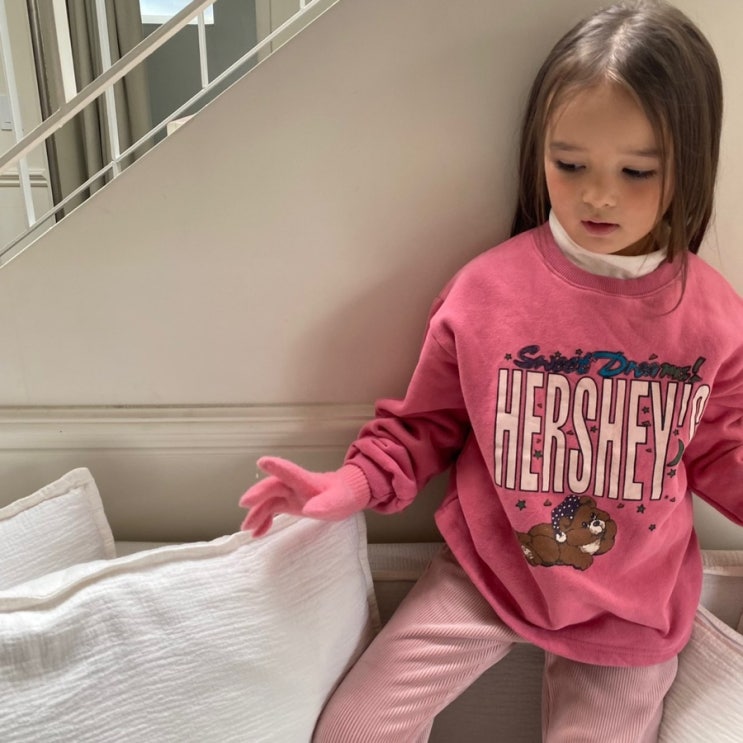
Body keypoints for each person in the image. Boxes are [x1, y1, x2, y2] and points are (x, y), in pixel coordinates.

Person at [239, 1, 743, 740]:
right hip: (491, 567)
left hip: (631, 604)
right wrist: (346, 486)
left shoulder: (713, 317)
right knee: (353, 729)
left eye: (637, 171)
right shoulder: (485, 292)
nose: (598, 195)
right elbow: (424, 425)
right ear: (539, 153)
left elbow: (723, 449)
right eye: (569, 164)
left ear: (688, 167)